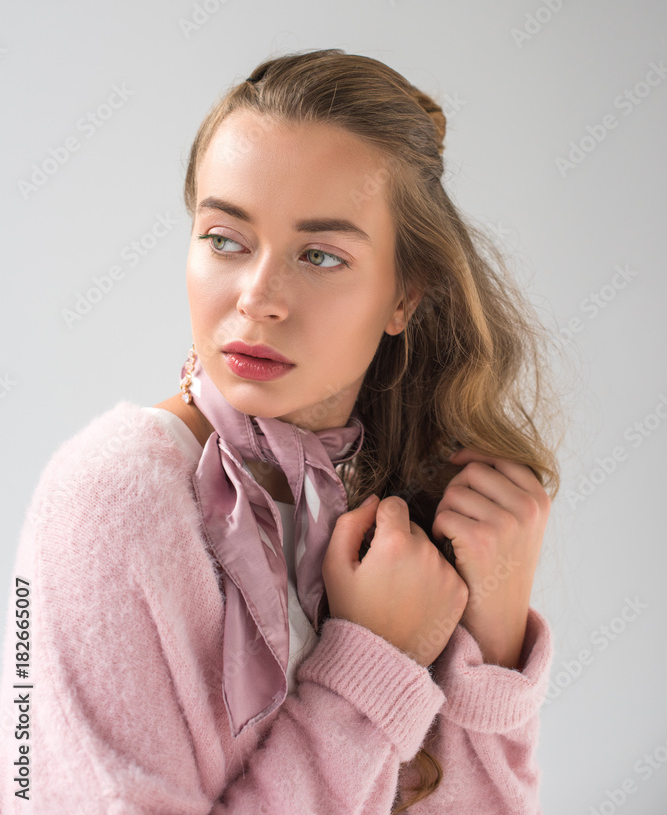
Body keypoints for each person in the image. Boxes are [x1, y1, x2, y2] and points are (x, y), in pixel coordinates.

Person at [0, 48, 566, 813]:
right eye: (225, 239)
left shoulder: (398, 508)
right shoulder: (111, 497)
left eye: (320, 255)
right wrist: (369, 669)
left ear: (404, 296)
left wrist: (492, 642)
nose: (258, 297)